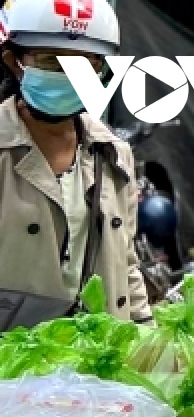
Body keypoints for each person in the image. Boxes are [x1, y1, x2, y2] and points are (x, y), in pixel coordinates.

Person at [0, 0, 149, 322]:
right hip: (13, 360)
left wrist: (146, 336)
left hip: (97, 354)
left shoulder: (113, 153)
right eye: (51, 60)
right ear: (14, 62)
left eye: (86, 64)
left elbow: (125, 263)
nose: (69, 75)